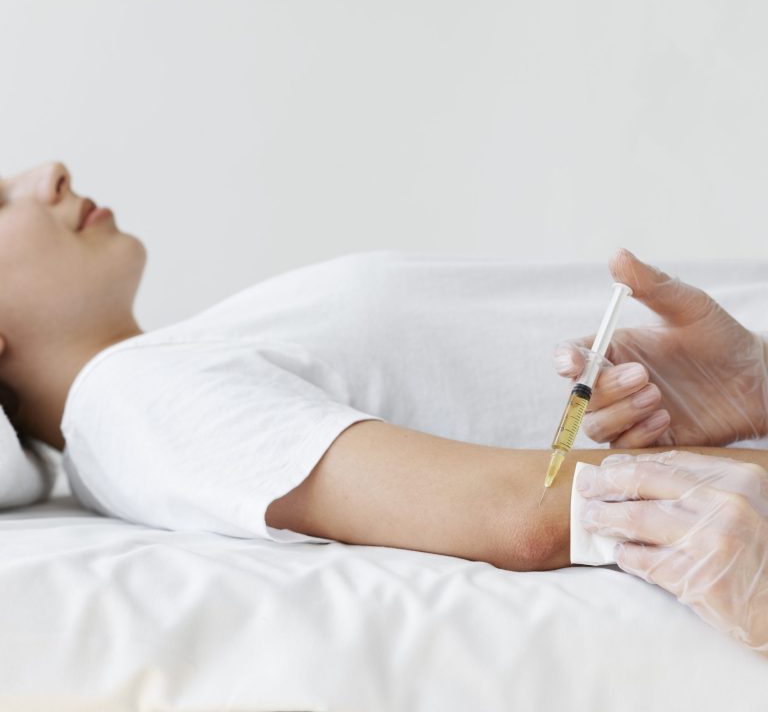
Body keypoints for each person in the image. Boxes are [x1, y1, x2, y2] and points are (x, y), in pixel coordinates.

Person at [1, 162, 766, 656]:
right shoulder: (127, 400)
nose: (48, 175)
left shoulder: (161, 371)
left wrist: (751, 387)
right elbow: (531, 512)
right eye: (0, 200)